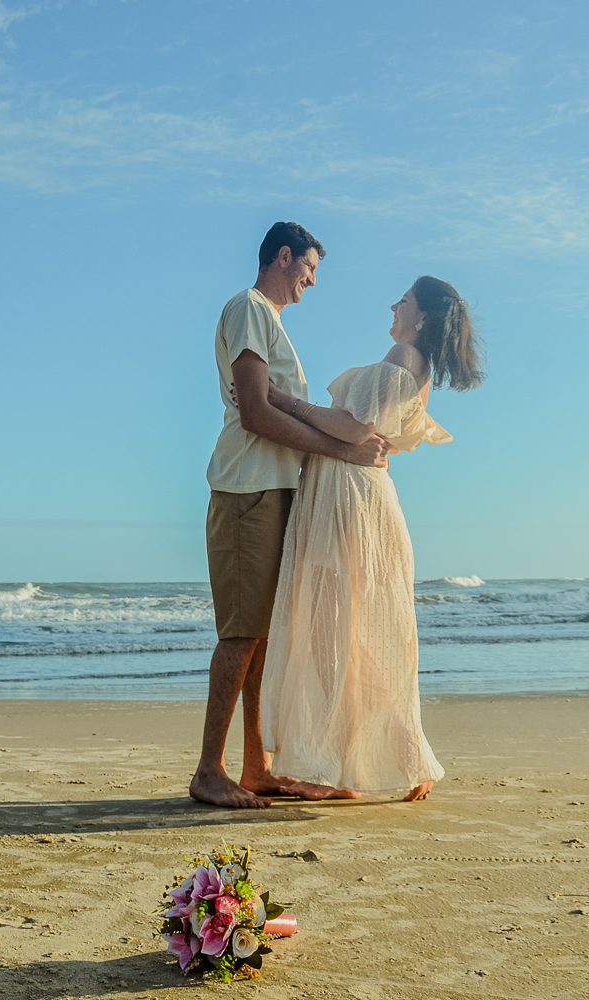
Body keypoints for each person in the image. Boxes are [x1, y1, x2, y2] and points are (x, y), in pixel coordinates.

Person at [190, 222, 390, 810]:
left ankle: (256, 767)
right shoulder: (249, 307)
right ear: (283, 256)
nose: (310, 282)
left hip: (274, 490)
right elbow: (254, 411)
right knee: (241, 632)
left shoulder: (270, 322)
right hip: (246, 490)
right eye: (308, 269)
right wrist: (342, 450)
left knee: (262, 636)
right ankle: (209, 769)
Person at [261, 275, 484, 800]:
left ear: (423, 316)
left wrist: (282, 402)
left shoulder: (402, 355)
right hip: (358, 495)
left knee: (329, 635)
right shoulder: (417, 366)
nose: (393, 304)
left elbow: (354, 427)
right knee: (340, 634)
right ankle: (394, 757)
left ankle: (335, 770)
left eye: (403, 300)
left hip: (348, 499)